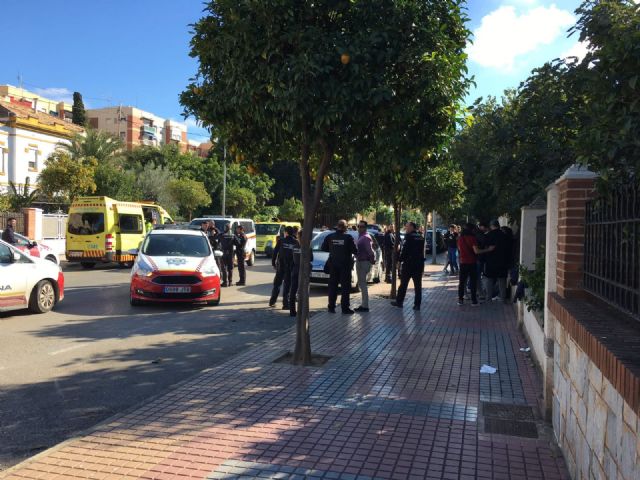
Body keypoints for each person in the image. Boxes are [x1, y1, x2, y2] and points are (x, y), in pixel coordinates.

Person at [321, 219, 357, 314]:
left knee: (333, 286)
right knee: (345, 288)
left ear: (337, 226)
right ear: (345, 227)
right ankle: (345, 308)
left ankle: (331, 307)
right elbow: (355, 250)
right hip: (345, 266)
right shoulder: (348, 237)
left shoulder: (330, 237)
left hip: (333, 265)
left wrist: (334, 250)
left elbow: (323, 248)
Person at [391, 222, 425, 310]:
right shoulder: (421, 237)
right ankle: (417, 305)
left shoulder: (409, 237)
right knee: (418, 286)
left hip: (409, 264)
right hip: (419, 264)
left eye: (407, 227)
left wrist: (399, 261)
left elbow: (404, 250)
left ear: (412, 227)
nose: (406, 228)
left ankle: (399, 302)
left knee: (403, 284)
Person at [456, 223, 486, 306]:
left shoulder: (460, 238)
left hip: (462, 262)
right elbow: (476, 251)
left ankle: (460, 300)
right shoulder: (472, 238)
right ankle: (474, 301)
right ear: (472, 230)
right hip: (472, 262)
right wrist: (487, 250)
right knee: (473, 282)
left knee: (462, 282)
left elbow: (459, 249)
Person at [269, 226, 296, 308]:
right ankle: (285, 304)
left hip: (280, 266)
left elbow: (275, 252)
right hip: (290, 267)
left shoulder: (281, 241)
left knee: (277, 284)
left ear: (286, 232)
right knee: (287, 285)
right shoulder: (296, 242)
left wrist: (273, 263)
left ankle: (272, 301)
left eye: (284, 232)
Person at [483, 220, 509, 303]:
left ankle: (488, 298)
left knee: (489, 280)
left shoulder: (488, 235)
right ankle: (503, 298)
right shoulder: (505, 235)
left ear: (491, 226)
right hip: (503, 261)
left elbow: (485, 247)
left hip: (490, 261)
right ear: (498, 225)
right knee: (502, 280)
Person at [289, 227, 311, 317]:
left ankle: (292, 311)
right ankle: (303, 311)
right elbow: (311, 258)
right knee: (304, 291)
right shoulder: (307, 247)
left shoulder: (294, 247)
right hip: (304, 271)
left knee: (293, 291)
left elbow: (292, 259)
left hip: (295, 270)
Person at [355, 221, 375, 312]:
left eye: (362, 226)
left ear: (365, 228)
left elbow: (370, 252)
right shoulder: (361, 236)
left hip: (364, 262)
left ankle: (365, 306)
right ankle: (363, 304)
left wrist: (371, 262)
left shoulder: (366, 238)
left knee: (363, 285)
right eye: (358, 226)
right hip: (361, 262)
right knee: (362, 284)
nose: (359, 228)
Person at [218, 223, 235, 287]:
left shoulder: (221, 235)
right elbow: (238, 243)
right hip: (230, 253)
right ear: (230, 228)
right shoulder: (233, 235)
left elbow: (217, 240)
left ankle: (225, 282)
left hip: (224, 253)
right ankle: (230, 282)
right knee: (230, 268)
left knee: (224, 268)